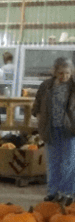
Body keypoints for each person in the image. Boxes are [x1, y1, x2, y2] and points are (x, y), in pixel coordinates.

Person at [32, 57, 75, 199]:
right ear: (55, 72)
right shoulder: (46, 86)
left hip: (69, 129)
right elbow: (37, 104)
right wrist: (39, 116)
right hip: (51, 128)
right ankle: (53, 192)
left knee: (69, 162)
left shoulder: (73, 86)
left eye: (67, 73)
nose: (65, 76)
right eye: (61, 73)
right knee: (53, 162)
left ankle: (67, 192)